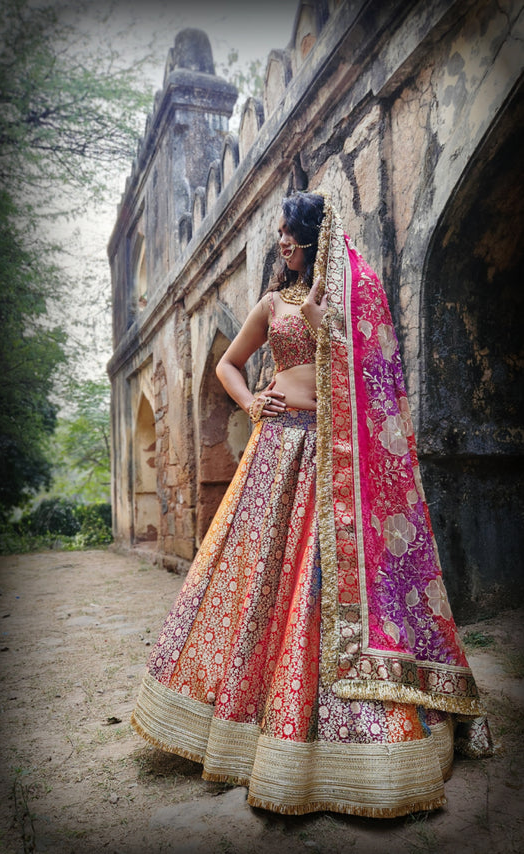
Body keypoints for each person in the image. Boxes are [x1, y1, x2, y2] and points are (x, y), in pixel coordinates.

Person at [131, 191, 493, 817]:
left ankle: (338, 727)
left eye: (290, 233)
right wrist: (249, 404)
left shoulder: (351, 295)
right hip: (278, 451)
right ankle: (253, 717)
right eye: (278, 235)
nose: (282, 243)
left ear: (314, 237)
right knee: (262, 585)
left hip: (336, 457)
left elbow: (374, 372)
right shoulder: (273, 303)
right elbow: (227, 365)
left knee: (325, 586)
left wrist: (330, 314)